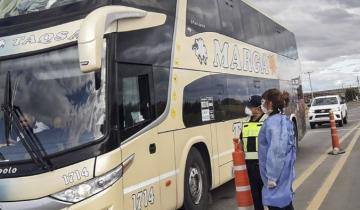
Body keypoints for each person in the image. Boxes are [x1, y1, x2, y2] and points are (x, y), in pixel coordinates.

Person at [258, 89, 296, 210]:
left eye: (263, 102)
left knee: (278, 204)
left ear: (270, 103)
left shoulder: (273, 123)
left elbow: (276, 150)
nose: (261, 105)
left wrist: (272, 177)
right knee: (286, 204)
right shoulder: (282, 119)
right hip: (283, 173)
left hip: (276, 177)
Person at [240, 95, 268, 210]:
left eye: (250, 107)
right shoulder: (245, 122)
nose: (248, 109)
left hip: (264, 164)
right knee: (255, 195)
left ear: (257, 108)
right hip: (250, 164)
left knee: (269, 195)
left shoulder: (267, 121)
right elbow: (242, 141)